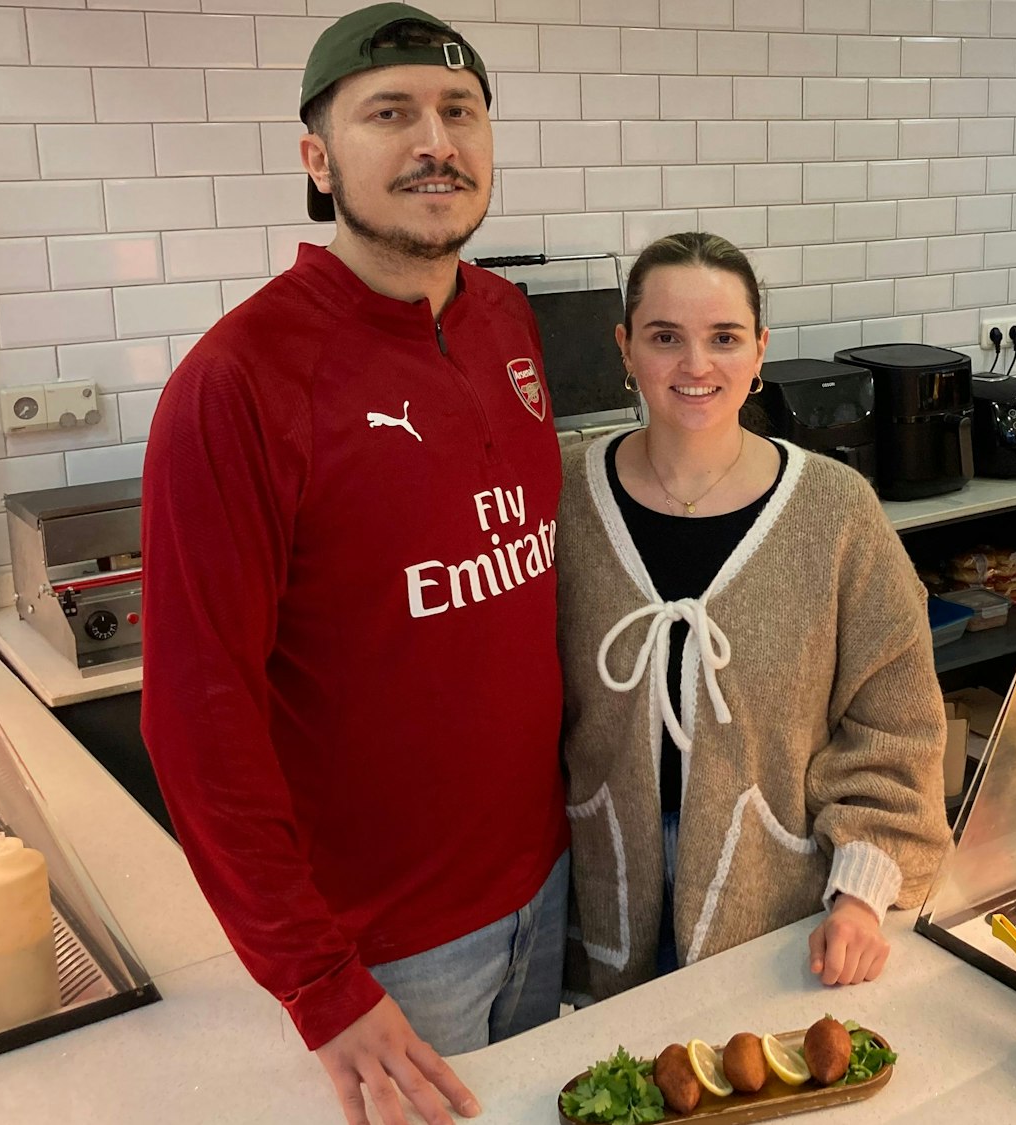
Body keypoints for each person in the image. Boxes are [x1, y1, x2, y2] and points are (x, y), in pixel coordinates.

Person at [141, 7, 565, 1124]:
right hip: (389, 953)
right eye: (392, 113)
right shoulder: (237, 383)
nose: (437, 141)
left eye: (459, 111)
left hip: (548, 882)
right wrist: (320, 985)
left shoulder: (509, 321)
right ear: (318, 160)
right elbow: (195, 715)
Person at [556, 232, 951, 1003]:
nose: (696, 365)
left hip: (780, 912)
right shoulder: (564, 496)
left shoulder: (837, 512)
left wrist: (862, 893)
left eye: (725, 338)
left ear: (761, 349)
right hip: (590, 897)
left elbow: (896, 722)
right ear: (625, 348)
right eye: (665, 336)